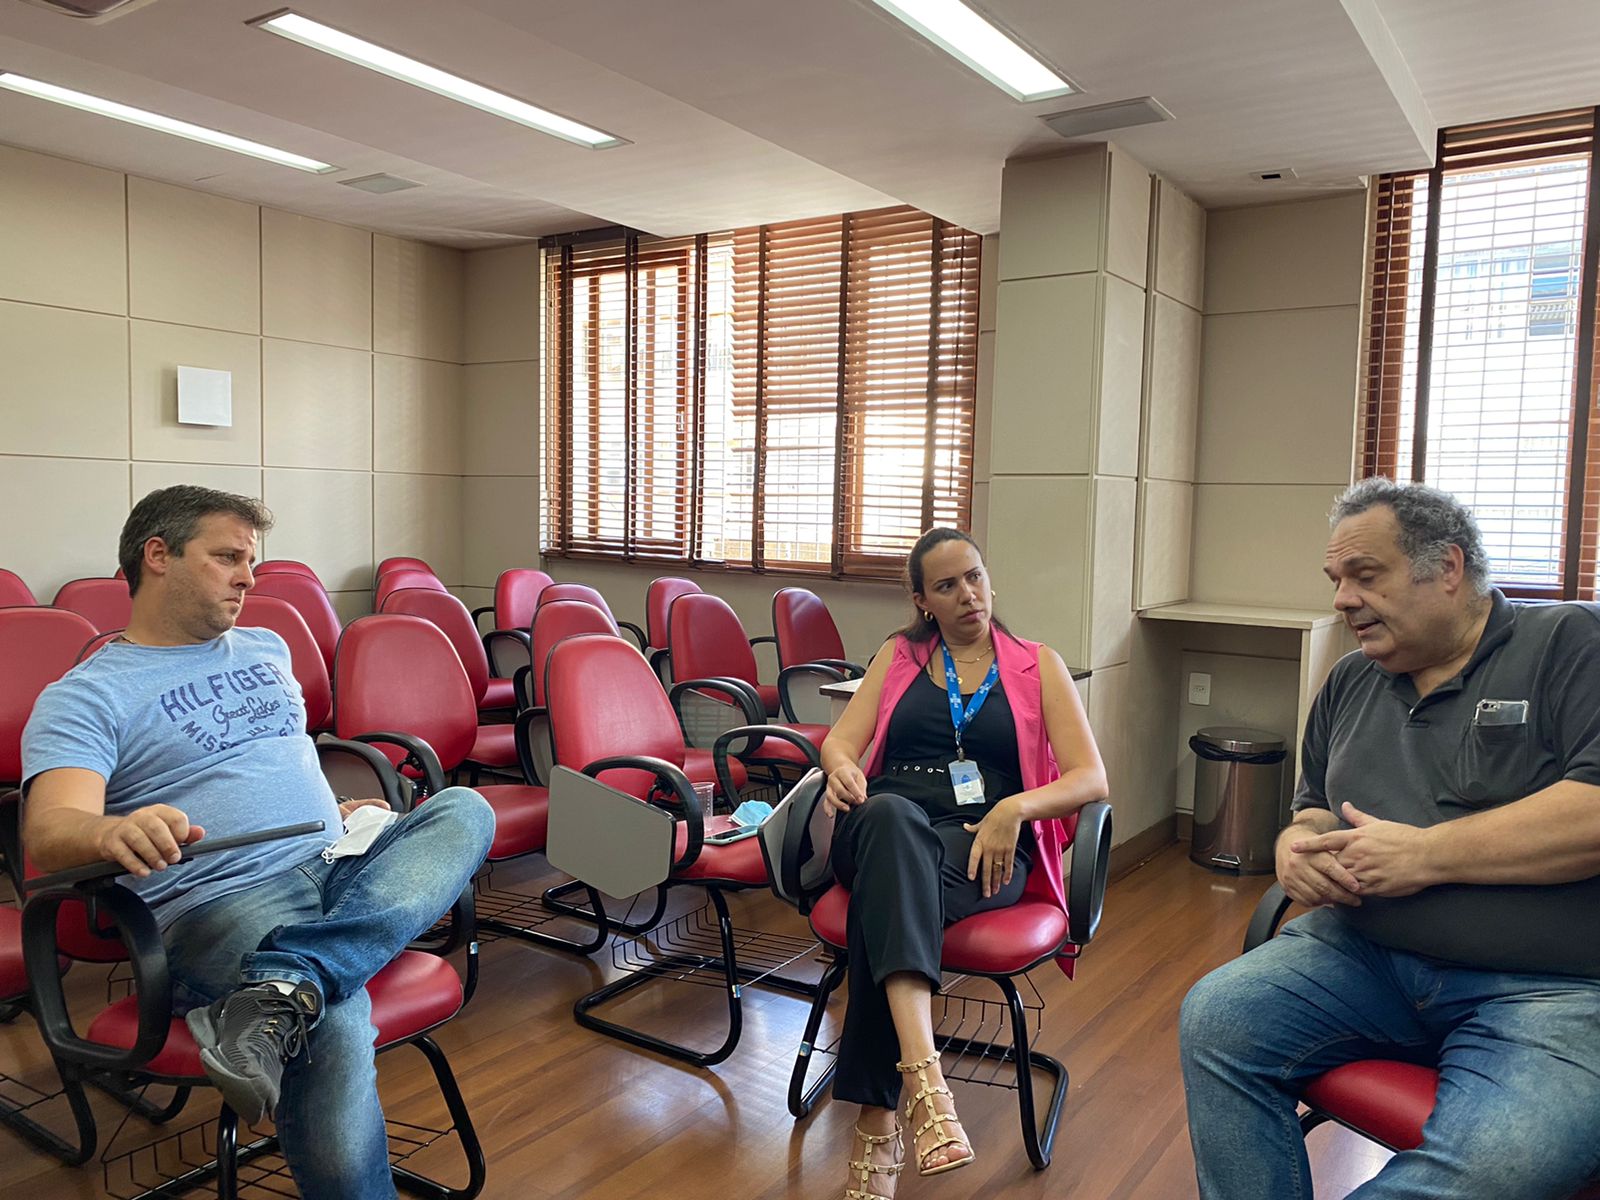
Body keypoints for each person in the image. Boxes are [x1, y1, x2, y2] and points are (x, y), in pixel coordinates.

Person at [21, 485, 495, 1200]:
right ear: (158, 555)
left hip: (337, 859)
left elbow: (272, 758)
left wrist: (335, 808)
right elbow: (51, 828)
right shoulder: (86, 696)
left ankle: (285, 983)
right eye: (227, 558)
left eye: (251, 560)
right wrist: (111, 829)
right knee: (331, 1023)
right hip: (223, 901)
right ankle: (300, 987)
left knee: (463, 807)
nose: (248, 577)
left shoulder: (267, 647)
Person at [1180, 478, 1600, 1199]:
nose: (1343, 599)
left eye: (1365, 575)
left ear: (1448, 567)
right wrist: (1296, 848)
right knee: (1216, 1019)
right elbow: (1314, 808)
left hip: (1548, 988)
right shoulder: (1350, 680)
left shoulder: (1570, 643)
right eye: (1336, 580)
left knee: (1499, 1159)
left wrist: (1428, 855)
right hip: (1363, 956)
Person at [819, 527, 1107, 1200]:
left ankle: (879, 1119)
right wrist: (839, 768)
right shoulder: (899, 655)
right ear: (923, 601)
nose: (967, 594)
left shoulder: (1038, 664)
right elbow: (841, 742)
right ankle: (925, 1075)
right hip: (882, 824)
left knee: (887, 907)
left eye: (974, 577)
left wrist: (1015, 809)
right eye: (946, 586)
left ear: (989, 579)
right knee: (892, 822)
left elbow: (1091, 777)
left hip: (981, 841)